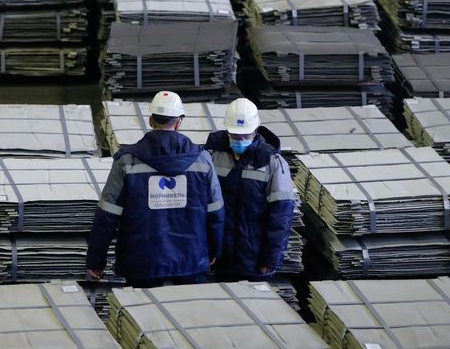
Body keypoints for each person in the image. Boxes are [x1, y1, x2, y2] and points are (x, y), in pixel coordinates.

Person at [86, 91, 225, 288]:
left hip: (141, 261)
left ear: (151, 121)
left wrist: (95, 260)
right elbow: (216, 212)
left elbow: (107, 215)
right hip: (191, 258)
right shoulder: (202, 160)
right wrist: (214, 251)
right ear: (179, 122)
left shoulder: (127, 161)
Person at [204, 98, 295, 281]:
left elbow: (281, 217)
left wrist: (270, 259)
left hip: (253, 259)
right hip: (220, 258)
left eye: (246, 135)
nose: (240, 140)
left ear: (256, 129)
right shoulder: (213, 156)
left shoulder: (271, 163)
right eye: (236, 136)